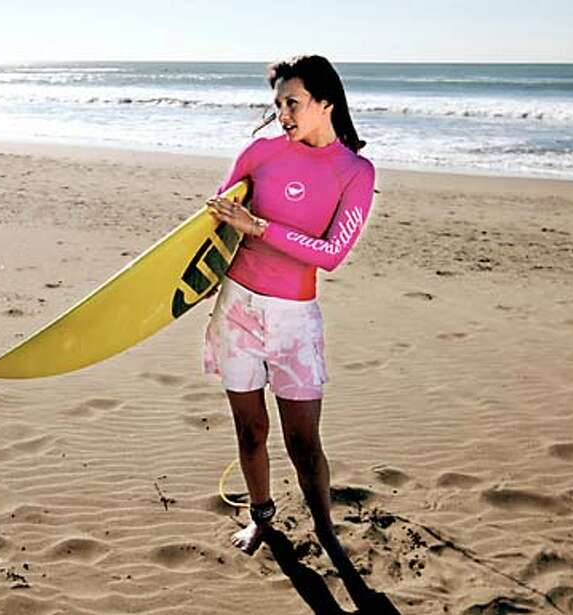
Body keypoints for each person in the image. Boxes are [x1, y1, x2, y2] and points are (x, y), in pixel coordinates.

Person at [204, 55, 376, 601]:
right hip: (236, 308)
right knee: (250, 430)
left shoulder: (355, 173)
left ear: (326, 102)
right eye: (277, 104)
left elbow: (331, 255)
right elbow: (213, 223)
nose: (282, 114)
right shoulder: (260, 152)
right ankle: (261, 514)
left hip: (293, 321)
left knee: (303, 440)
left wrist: (259, 227)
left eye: (292, 103)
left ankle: (324, 527)